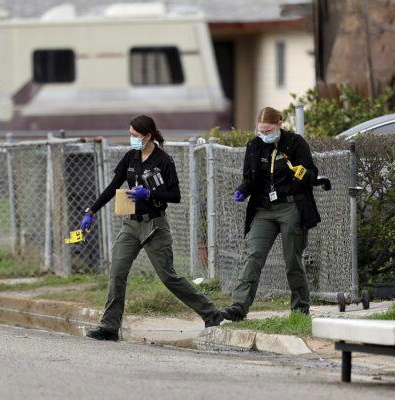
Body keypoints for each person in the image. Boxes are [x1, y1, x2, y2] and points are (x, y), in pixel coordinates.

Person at [81, 115, 224, 341]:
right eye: (130, 135)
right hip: (131, 223)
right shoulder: (131, 157)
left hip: (154, 225)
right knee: (117, 271)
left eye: (135, 136)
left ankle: (211, 313)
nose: (132, 139)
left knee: (169, 276)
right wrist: (91, 211)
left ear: (148, 136)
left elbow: (175, 195)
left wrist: (149, 193)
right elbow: (112, 186)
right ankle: (109, 326)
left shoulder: (164, 160)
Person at [221, 107, 321, 322]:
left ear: (279, 125)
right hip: (263, 209)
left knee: (292, 260)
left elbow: (313, 173)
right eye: (261, 131)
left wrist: (300, 172)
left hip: (291, 207)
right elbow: (249, 178)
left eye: (268, 131)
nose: (265, 135)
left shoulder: (295, 143)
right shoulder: (254, 146)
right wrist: (242, 190)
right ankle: (239, 306)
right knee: (253, 256)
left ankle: (300, 310)